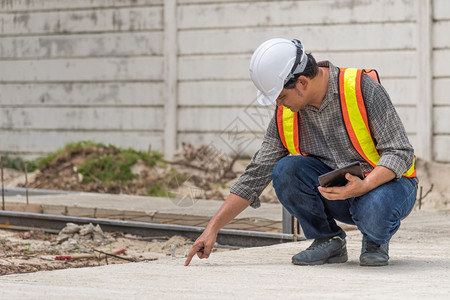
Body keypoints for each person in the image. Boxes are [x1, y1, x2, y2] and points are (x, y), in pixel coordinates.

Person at [185, 38, 417, 267]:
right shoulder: (286, 113)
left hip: (387, 188)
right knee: (286, 170)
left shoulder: (361, 88)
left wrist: (365, 186)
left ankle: (375, 241)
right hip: (339, 195)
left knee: (375, 207)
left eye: (282, 96)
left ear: (302, 82)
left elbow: (399, 151)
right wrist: (212, 228)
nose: (280, 104)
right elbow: (256, 173)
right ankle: (328, 240)